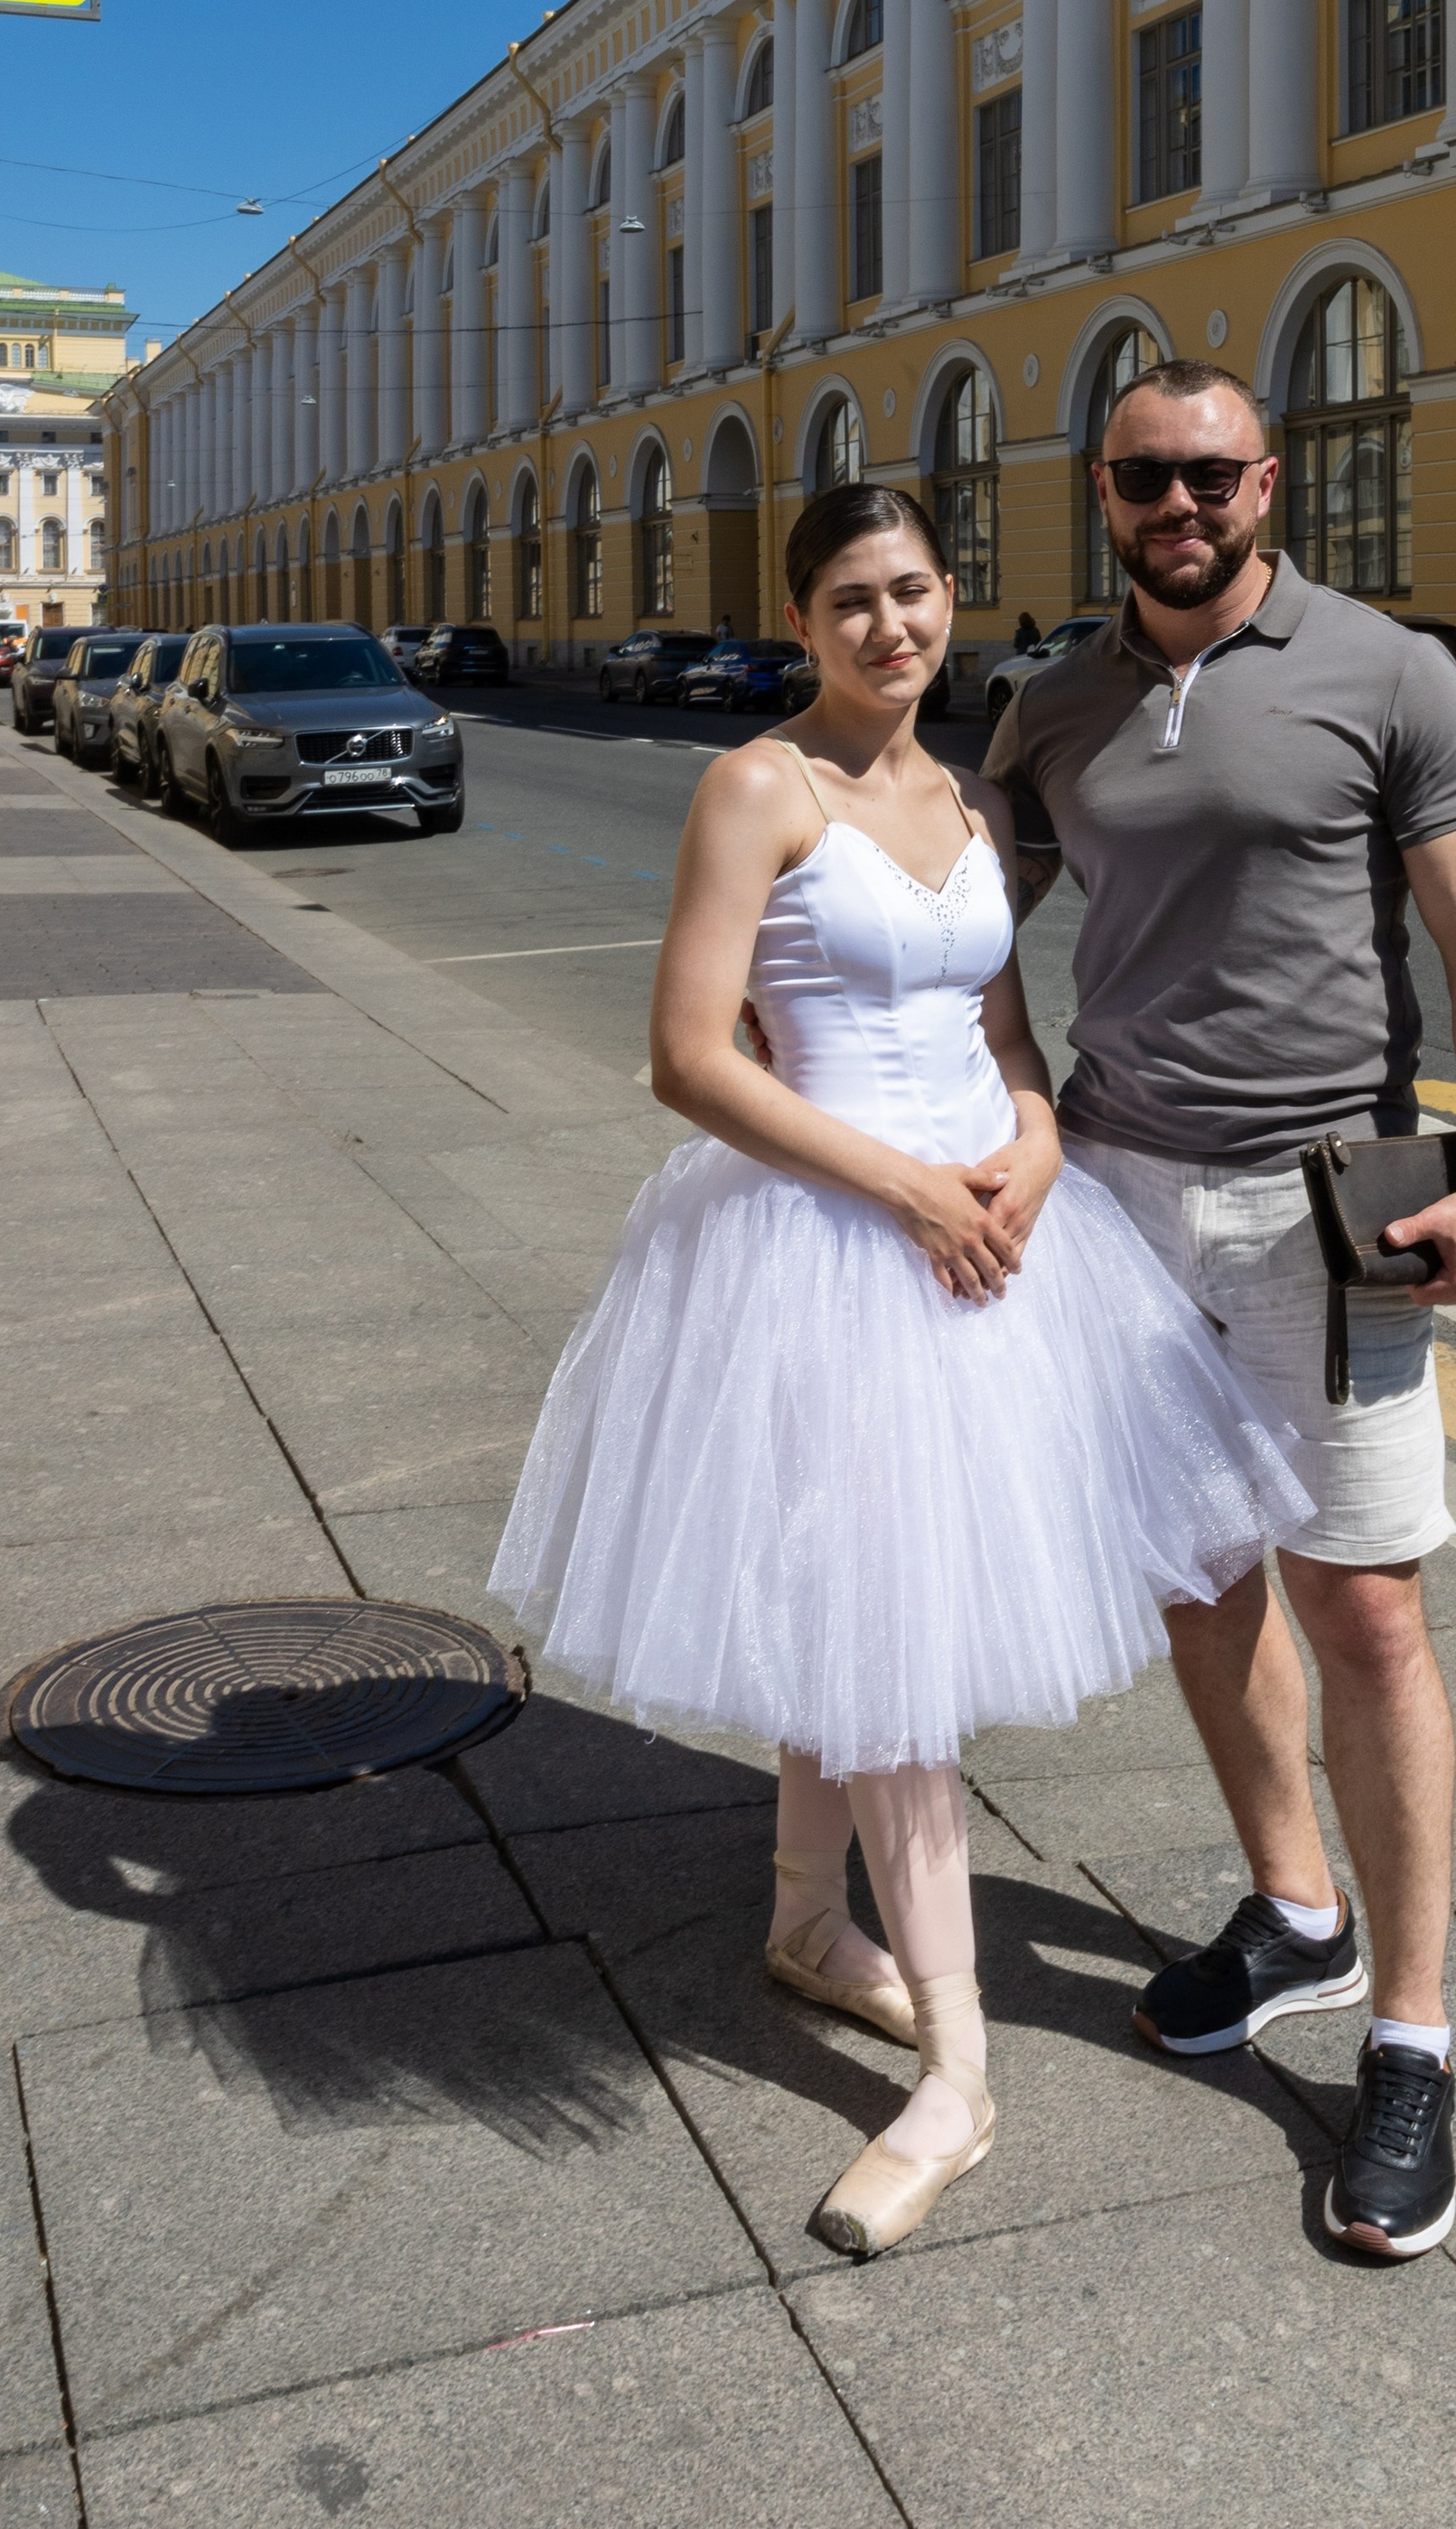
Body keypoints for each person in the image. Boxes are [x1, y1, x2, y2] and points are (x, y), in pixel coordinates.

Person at [491, 479, 1309, 2261]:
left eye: (915, 592)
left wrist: (1022, 1156)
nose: (889, 627)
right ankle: (955, 2067)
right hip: (826, 1236)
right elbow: (688, 1059)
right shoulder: (757, 787)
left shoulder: (963, 799)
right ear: (802, 622)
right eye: (852, 599)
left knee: (852, 1616)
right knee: (882, 1651)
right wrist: (909, 1195)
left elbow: (1004, 1024)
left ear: (952, 603)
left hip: (990, 1241)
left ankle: (804, 1923)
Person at [985, 358, 1456, 2263]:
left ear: (1266, 479)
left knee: (1365, 1606)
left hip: (1336, 1197)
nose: (1180, 502)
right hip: (1119, 1203)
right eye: (1144, 474)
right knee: (1197, 1581)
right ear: (1102, 487)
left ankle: (1408, 2035)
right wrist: (1006, 1112)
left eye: (1210, 472)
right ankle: (1288, 1909)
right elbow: (968, 930)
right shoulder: (1051, 700)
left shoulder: (1386, 673)